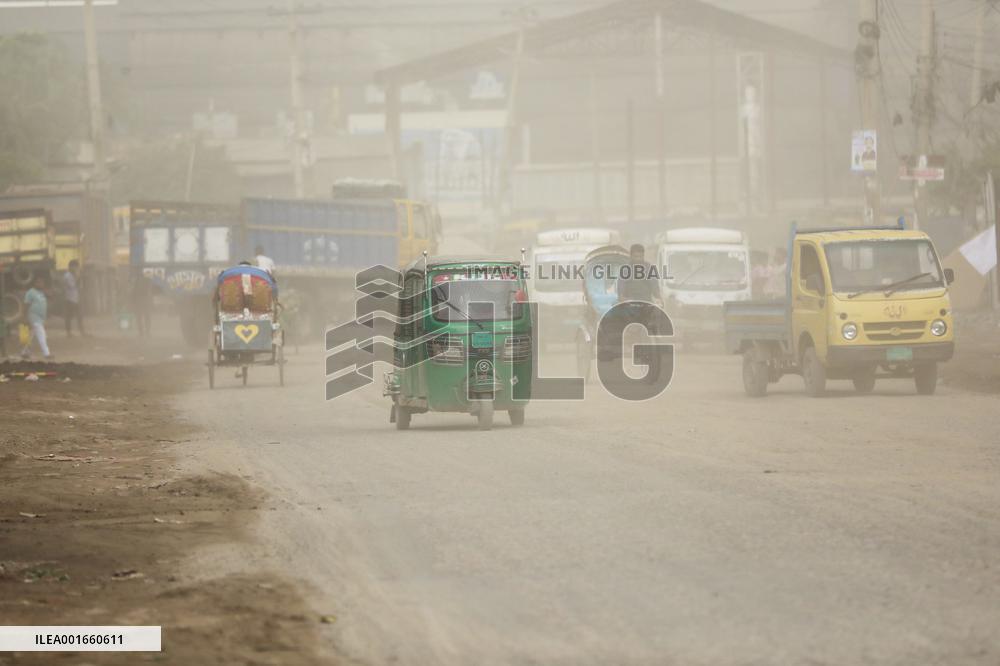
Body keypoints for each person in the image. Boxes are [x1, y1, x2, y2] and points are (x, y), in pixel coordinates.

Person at [21, 276, 52, 360]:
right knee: (42, 334)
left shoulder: (41, 292)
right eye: (39, 282)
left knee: (31, 336)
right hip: (33, 316)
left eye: (42, 282)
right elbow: (26, 305)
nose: (41, 284)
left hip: (41, 318)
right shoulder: (30, 292)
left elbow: (51, 296)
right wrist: (24, 317)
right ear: (34, 283)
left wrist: (45, 290)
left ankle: (24, 352)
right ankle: (47, 353)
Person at [62, 259, 85, 336]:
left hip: (76, 298)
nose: (76, 269)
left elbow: (80, 287)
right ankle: (68, 332)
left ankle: (82, 331)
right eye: (75, 267)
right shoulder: (67, 276)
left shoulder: (74, 275)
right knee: (69, 316)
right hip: (69, 298)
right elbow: (72, 286)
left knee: (80, 315)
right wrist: (78, 278)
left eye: (77, 267)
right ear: (71, 267)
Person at [130, 272, 153, 338]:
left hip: (144, 299)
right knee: (140, 317)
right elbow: (133, 290)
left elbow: (149, 289)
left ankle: (146, 332)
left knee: (145, 316)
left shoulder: (146, 278)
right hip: (139, 300)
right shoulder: (137, 279)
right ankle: (142, 332)